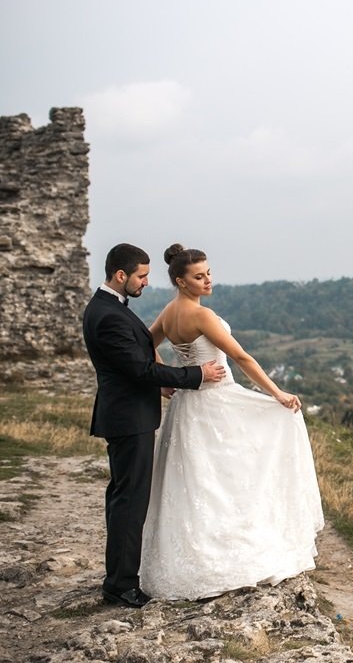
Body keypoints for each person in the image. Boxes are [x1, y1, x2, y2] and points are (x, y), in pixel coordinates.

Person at [139, 244, 324, 600]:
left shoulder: (170, 310)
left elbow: (147, 342)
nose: (208, 280)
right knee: (229, 476)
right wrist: (277, 393)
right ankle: (230, 552)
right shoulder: (201, 315)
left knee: (199, 481)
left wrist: (168, 378)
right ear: (181, 280)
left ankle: (195, 557)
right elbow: (241, 357)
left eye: (208, 272)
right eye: (198, 276)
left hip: (187, 404)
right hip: (216, 401)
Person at [83, 243, 228, 608]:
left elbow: (137, 359)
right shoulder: (110, 315)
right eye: (141, 277)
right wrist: (194, 374)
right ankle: (121, 585)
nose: (146, 283)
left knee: (123, 499)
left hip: (127, 415)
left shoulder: (108, 308)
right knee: (130, 501)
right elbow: (140, 368)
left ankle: (118, 576)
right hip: (129, 419)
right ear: (121, 276)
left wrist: (160, 380)